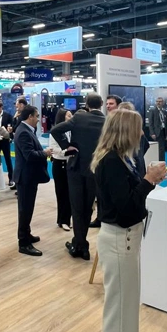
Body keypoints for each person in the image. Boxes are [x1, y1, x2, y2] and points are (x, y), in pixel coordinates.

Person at [92, 110, 166, 332]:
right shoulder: (111, 162)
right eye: (138, 129)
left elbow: (130, 200)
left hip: (126, 241)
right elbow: (126, 208)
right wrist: (149, 180)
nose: (142, 134)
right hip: (119, 240)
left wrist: (146, 179)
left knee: (127, 310)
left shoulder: (121, 158)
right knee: (119, 316)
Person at [51, 93, 106, 261]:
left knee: (76, 207)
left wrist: (67, 146)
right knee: (88, 207)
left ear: (86, 104)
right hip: (95, 169)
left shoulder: (79, 118)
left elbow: (55, 130)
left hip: (76, 168)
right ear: (102, 104)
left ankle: (80, 245)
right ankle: (80, 244)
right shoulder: (107, 121)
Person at [13, 106, 52, 256]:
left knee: (28, 208)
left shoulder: (26, 130)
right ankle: (23, 242)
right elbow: (29, 155)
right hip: (25, 177)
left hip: (29, 177)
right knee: (24, 210)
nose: (38, 119)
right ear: (30, 116)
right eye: (36, 116)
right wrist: (45, 153)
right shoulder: (23, 132)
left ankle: (27, 234)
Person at [49, 108, 73, 230]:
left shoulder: (71, 131)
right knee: (61, 193)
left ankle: (66, 218)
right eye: (68, 116)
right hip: (59, 164)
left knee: (70, 193)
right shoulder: (55, 132)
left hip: (70, 164)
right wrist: (67, 151)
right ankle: (63, 220)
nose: (71, 118)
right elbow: (53, 149)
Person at [0, 101, 15, 187]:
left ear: (1, 108)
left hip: (5, 140)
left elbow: (11, 128)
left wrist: (10, 137)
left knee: (7, 159)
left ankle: (11, 178)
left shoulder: (7, 116)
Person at [147, 97, 167, 163]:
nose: (158, 103)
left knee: (162, 149)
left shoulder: (164, 111)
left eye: (160, 101)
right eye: (157, 101)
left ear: (163, 102)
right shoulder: (152, 110)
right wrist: (152, 133)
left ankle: (162, 162)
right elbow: (150, 123)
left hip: (163, 131)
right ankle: (157, 162)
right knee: (157, 148)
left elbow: (166, 123)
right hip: (156, 132)